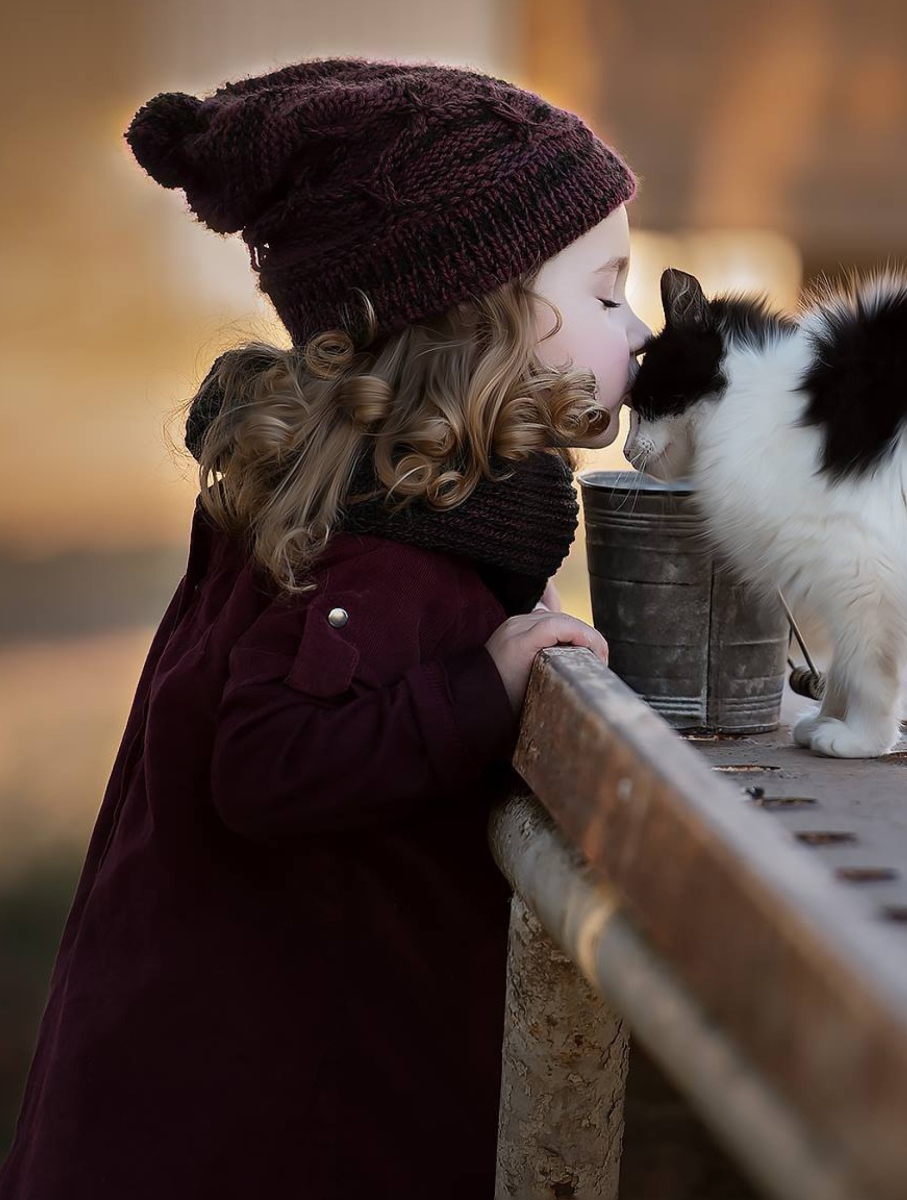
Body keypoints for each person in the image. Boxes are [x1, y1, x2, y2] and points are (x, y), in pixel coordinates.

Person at [0, 58, 651, 1198]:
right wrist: (480, 691)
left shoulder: (390, 506)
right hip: (269, 1117)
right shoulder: (381, 544)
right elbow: (268, 761)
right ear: (478, 316)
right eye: (606, 293)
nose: (637, 330)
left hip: (240, 1075)